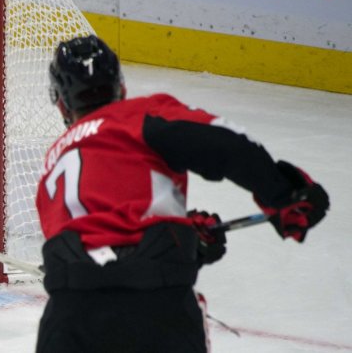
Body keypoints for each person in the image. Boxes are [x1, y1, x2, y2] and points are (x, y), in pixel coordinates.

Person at [34, 34, 329, 353]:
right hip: (155, 307)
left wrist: (187, 237)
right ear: (120, 87)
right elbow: (227, 143)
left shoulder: (51, 165)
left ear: (62, 103)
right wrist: (286, 194)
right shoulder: (138, 116)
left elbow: (97, 248)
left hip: (67, 320)